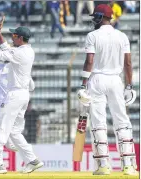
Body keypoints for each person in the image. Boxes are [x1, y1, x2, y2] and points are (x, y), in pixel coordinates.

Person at [77, 4, 138, 175]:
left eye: (95, 16)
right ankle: (128, 165)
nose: (93, 19)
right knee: (122, 121)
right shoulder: (122, 36)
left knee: (98, 122)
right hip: (116, 80)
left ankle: (103, 165)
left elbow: (89, 61)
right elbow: (128, 63)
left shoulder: (92, 36)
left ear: (100, 17)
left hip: (96, 79)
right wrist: (129, 85)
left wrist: (83, 84)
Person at [0, 16, 44, 174]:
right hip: (22, 95)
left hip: (14, 95)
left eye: (14, 36)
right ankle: (32, 160)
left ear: (20, 38)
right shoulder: (27, 50)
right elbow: (7, 48)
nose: (11, 37)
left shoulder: (19, 53)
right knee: (14, 132)